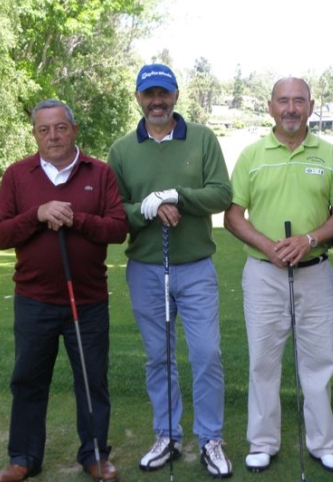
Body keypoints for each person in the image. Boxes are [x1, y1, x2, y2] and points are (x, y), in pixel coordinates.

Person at [0, 99, 128, 482]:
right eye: (43, 129)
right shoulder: (18, 175)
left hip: (88, 300)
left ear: (74, 129)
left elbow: (118, 228)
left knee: (91, 380)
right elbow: (0, 234)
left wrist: (75, 217)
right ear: (35, 134)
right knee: (29, 380)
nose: (52, 136)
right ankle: (23, 457)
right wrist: (36, 214)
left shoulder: (99, 173)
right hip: (34, 299)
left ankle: (95, 454)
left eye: (60, 127)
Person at [107, 63, 234, 478]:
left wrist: (177, 195)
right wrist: (145, 208)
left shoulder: (201, 139)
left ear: (176, 95)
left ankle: (211, 437)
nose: (157, 101)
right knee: (159, 358)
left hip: (195, 266)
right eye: (149, 94)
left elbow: (221, 193)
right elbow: (113, 211)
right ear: (139, 98)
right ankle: (167, 434)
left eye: (164, 93)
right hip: (146, 268)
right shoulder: (123, 149)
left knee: (207, 354)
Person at [224, 77, 333, 474]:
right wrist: (268, 246)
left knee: (319, 361)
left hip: (314, 272)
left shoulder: (330, 154)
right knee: (263, 361)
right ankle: (263, 442)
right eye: (283, 101)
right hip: (263, 273)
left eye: (299, 101)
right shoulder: (252, 154)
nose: (291, 108)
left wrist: (308, 239)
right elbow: (232, 215)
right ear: (270, 107)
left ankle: (323, 443)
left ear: (312, 107)